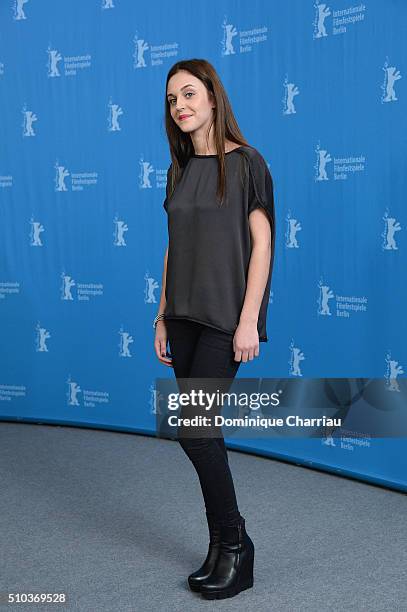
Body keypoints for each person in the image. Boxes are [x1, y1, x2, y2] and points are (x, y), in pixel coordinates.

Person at [153, 59, 276, 600]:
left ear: (212, 98)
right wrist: (160, 314)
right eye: (172, 98)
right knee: (203, 434)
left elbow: (263, 245)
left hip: (224, 318)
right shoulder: (179, 168)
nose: (180, 105)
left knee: (194, 431)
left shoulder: (247, 163)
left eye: (189, 94)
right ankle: (222, 543)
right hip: (181, 316)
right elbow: (172, 247)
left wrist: (249, 320)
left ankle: (237, 544)